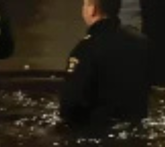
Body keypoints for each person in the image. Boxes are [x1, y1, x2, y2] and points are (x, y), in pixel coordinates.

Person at [60, 0, 152, 128]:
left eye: (85, 4)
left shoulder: (86, 48)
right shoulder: (140, 42)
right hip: (136, 125)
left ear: (92, 10)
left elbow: (70, 103)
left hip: (97, 132)